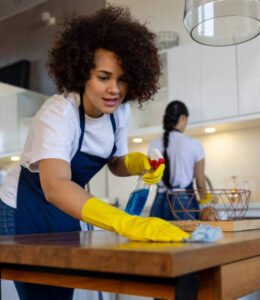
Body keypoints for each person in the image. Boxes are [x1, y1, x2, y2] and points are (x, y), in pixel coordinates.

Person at [0, 6, 189, 300]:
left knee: (63, 291)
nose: (114, 89)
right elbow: (55, 186)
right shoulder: (59, 113)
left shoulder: (118, 113)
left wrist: (138, 163)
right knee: (42, 294)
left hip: (64, 207)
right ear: (82, 73)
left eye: (122, 79)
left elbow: (114, 163)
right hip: (25, 207)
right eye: (103, 77)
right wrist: (125, 222)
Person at [149, 100, 206, 220]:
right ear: (183, 118)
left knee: (158, 237)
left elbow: (152, 177)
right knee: (186, 238)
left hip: (159, 201)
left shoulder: (153, 145)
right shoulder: (194, 144)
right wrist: (206, 205)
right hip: (184, 202)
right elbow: (200, 184)